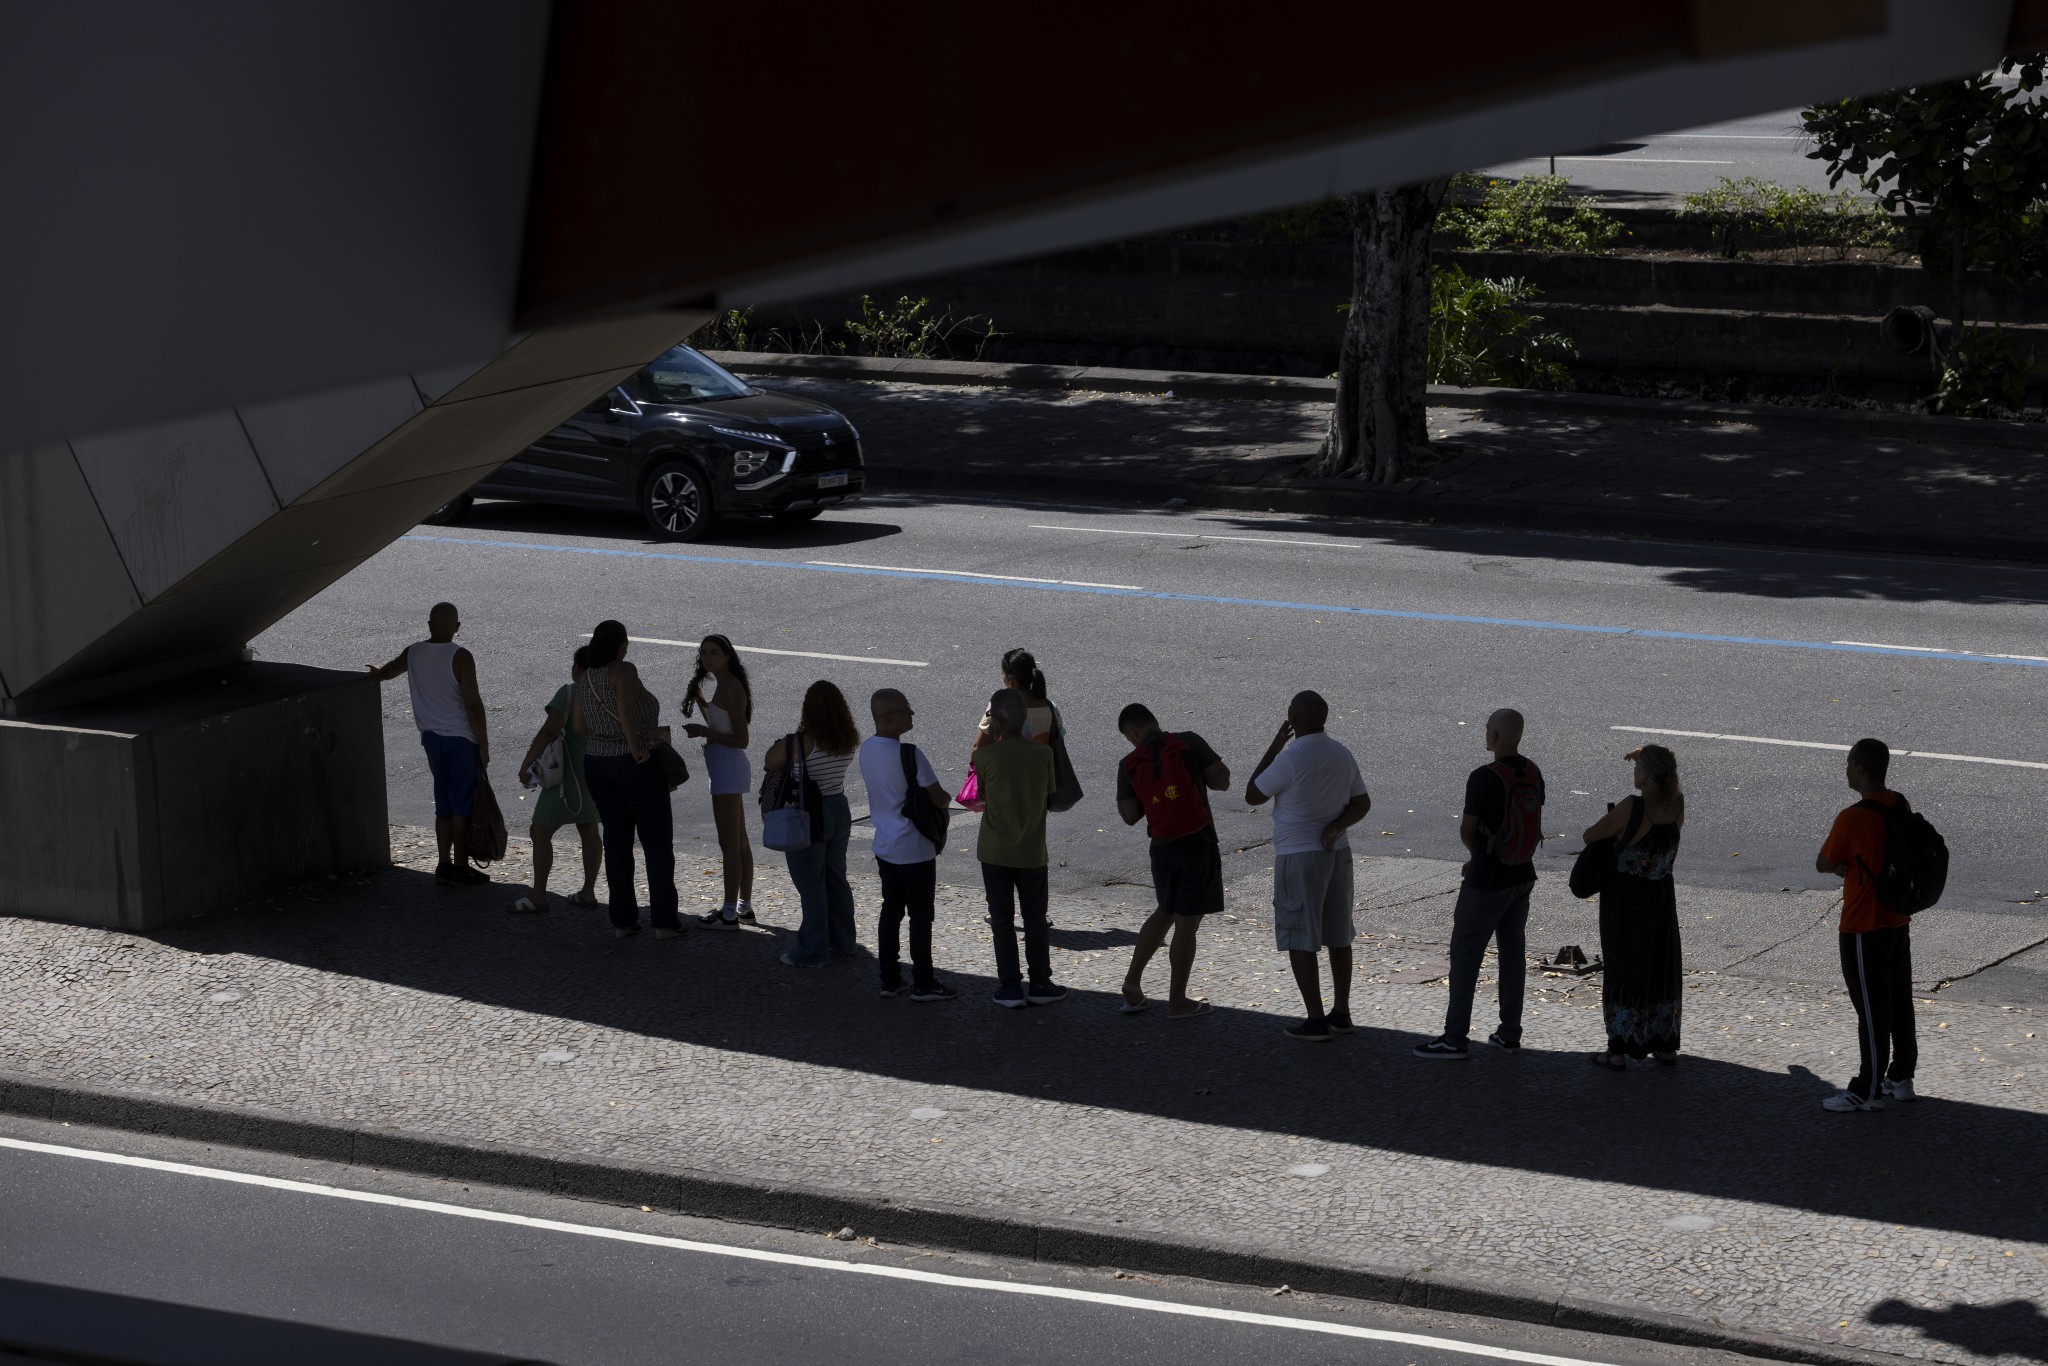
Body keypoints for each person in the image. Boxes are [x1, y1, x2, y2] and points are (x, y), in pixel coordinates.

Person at [1416, 708, 1545, 1059]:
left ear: (1496, 736)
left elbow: (1467, 830)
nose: (1485, 734)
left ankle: (1454, 1037)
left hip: (1487, 880)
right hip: (1522, 875)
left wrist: (1478, 858)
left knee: (1466, 955)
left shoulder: (1483, 777)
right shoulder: (1533, 771)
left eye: (1488, 729)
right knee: (1512, 954)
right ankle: (1509, 1032)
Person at [1245, 691, 1372, 1042]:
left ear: (1291, 717)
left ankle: (1315, 1019)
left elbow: (1253, 794)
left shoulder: (1291, 757)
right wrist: (1336, 827)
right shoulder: (1341, 753)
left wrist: (1273, 746)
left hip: (1298, 856)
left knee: (1299, 935)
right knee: (1338, 935)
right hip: (1337, 855)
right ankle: (1341, 1012)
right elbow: (1362, 803)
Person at [1816, 737, 1919, 1112]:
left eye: (1848, 763)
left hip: (1862, 925)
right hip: (1897, 918)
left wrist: (1845, 866)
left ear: (1860, 769)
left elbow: (1823, 862)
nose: (1845, 768)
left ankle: (1867, 1088)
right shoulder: (1900, 804)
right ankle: (1900, 1076)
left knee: (1872, 1010)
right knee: (1899, 1002)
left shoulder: (1851, 818)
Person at [1115, 703, 1230, 1019]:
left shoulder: (1129, 764)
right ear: (1153, 722)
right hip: (1198, 844)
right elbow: (1222, 780)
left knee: (1165, 911)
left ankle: (1132, 982)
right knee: (1187, 923)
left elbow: (1129, 816)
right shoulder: (1188, 742)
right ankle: (1177, 1001)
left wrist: (1150, 791)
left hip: (1163, 849)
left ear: (1135, 732)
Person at [572, 620, 684, 940]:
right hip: (633, 764)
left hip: (596, 764)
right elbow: (625, 708)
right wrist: (635, 747)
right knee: (657, 844)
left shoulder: (585, 677)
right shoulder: (623, 671)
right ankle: (663, 921)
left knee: (617, 843)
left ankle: (622, 920)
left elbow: (579, 726)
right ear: (620, 644)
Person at [367, 601, 491, 886]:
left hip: (432, 739)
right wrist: (483, 745)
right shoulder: (460, 656)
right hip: (461, 739)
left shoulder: (414, 652)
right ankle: (460, 866)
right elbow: (473, 706)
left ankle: (443, 863)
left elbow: (387, 673)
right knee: (462, 805)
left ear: (429, 625)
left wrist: (376, 672)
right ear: (457, 628)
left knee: (444, 803)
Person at [1581, 744, 1685, 1069]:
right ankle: (1664, 1043)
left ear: (1646, 777)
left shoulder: (1631, 808)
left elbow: (1590, 835)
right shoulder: (1676, 804)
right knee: (1658, 967)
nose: (1633, 772)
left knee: (1623, 968)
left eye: (1638, 769)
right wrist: (1646, 756)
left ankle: (1619, 1049)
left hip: (1626, 900)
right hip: (1661, 898)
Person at [858, 688, 958, 1000]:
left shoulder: (867, 749)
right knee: (920, 917)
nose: (911, 714)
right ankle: (924, 982)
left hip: (885, 846)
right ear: (888, 718)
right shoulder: (911, 755)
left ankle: (890, 979)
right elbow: (939, 797)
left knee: (891, 912)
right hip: (915, 849)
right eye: (905, 710)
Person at [976, 688, 1064, 1008]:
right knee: (1035, 919)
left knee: (1002, 920)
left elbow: (981, 792)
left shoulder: (984, 756)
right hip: (1031, 849)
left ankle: (1010, 986)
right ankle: (1040, 982)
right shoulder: (1043, 755)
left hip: (995, 850)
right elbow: (1049, 791)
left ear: (996, 722)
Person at [767, 680, 861, 968]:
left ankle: (812, 951)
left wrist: (779, 745)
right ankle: (844, 943)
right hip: (838, 808)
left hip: (807, 814)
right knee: (836, 879)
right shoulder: (847, 738)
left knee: (811, 885)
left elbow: (770, 762)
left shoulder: (798, 742)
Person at [508, 647, 603, 913]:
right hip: (595, 772)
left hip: (566, 776)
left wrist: (528, 760)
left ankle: (539, 895)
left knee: (540, 831)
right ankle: (588, 892)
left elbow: (551, 729)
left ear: (577, 669)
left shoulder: (570, 692)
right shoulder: (607, 694)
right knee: (590, 830)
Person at [682, 634, 755, 927]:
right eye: (703, 653)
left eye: (713, 653)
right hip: (725, 767)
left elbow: (741, 739)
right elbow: (720, 720)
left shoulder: (733, 689)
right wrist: (701, 702)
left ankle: (728, 910)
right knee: (739, 842)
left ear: (727, 656)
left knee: (730, 843)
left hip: (727, 767)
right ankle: (743, 905)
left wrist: (703, 732)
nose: (707, 658)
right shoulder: (724, 686)